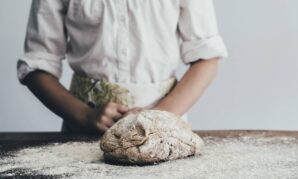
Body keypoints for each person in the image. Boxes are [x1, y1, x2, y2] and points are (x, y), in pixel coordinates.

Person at [16, 0, 228, 134]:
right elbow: (36, 65)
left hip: (165, 127)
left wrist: (159, 116)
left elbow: (206, 58)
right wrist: (84, 116)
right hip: (83, 130)